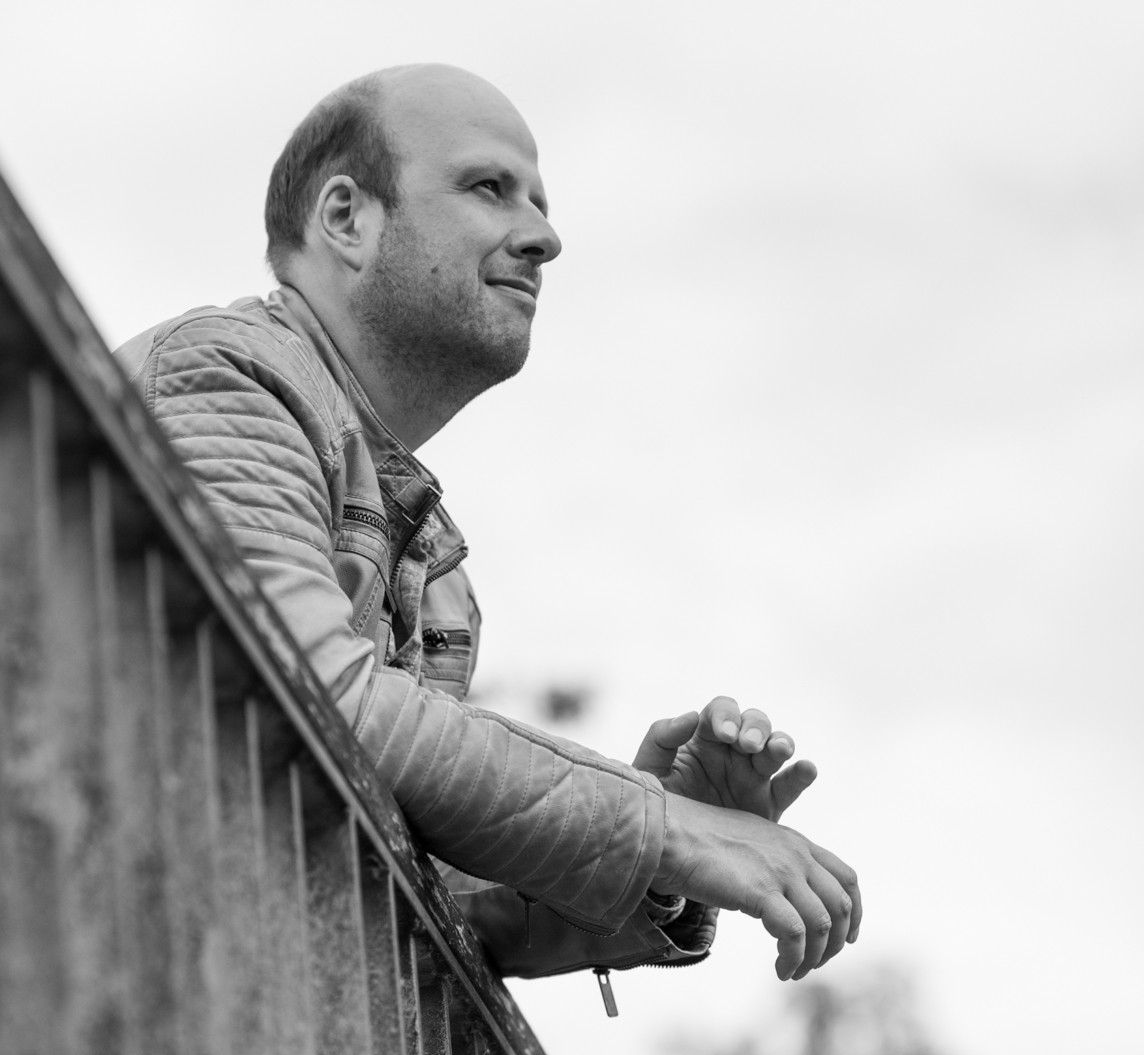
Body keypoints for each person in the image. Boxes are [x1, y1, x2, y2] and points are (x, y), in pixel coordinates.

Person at [117, 63, 860, 997]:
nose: (544, 237)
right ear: (347, 218)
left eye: (539, 202)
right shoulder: (224, 375)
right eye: (488, 187)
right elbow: (304, 697)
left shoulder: (437, 571)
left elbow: (414, 895)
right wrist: (660, 827)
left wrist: (659, 868)